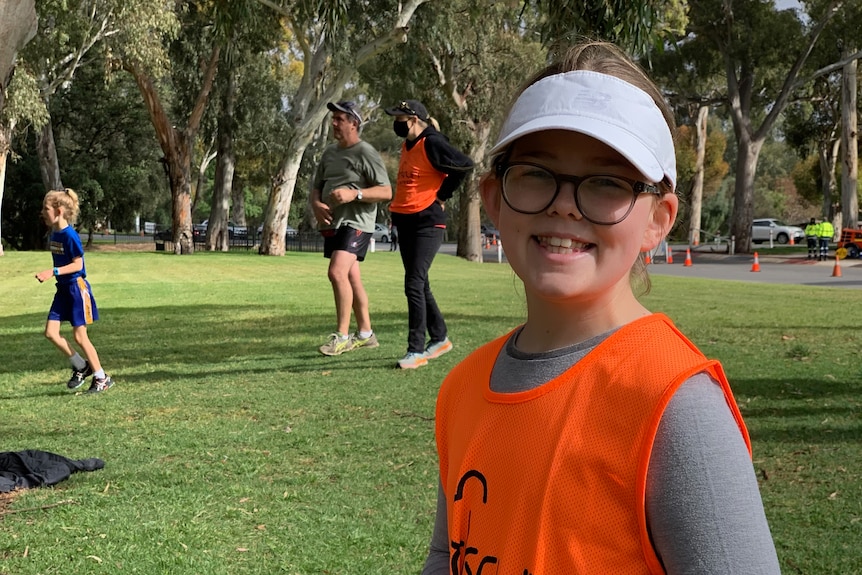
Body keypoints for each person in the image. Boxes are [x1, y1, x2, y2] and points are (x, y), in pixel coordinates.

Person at [422, 41, 781, 574]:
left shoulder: (676, 404)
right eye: (537, 173)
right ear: (495, 198)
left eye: (607, 182)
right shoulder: (463, 389)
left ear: (658, 220)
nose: (564, 202)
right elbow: (446, 555)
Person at [384, 100, 474, 369]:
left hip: (427, 222)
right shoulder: (407, 145)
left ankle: (416, 351)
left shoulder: (431, 142)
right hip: (406, 220)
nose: (395, 122)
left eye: (399, 118)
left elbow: (465, 165)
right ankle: (440, 338)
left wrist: (442, 194)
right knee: (420, 284)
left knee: (413, 283)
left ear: (412, 119)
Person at [310, 101, 392, 356]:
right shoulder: (329, 153)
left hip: (356, 222)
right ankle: (366, 334)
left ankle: (342, 336)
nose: (333, 123)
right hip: (334, 223)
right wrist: (316, 204)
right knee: (352, 277)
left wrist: (353, 195)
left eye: (339, 119)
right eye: (333, 118)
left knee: (336, 273)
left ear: (354, 123)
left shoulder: (365, 152)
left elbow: (386, 191)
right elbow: (316, 186)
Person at [34, 188, 113, 394]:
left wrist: (53, 271)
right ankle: (81, 366)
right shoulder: (54, 233)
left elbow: (78, 265)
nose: (43, 212)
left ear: (59, 210)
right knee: (51, 333)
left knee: (80, 337)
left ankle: (101, 377)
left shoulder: (70, 236)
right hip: (62, 290)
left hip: (76, 289)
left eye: (46, 208)